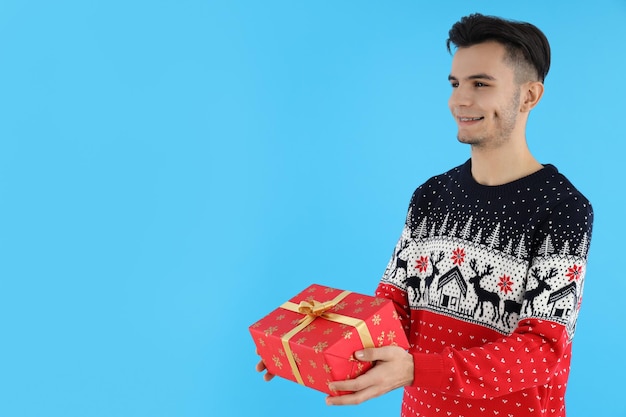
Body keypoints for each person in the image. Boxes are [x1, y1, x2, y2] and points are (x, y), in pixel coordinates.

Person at [256, 13, 593, 417]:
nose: (459, 100)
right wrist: (316, 346)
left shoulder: (563, 209)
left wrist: (416, 368)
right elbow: (393, 307)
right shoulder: (430, 197)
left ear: (529, 96)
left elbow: (541, 350)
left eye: (480, 84)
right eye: (455, 84)